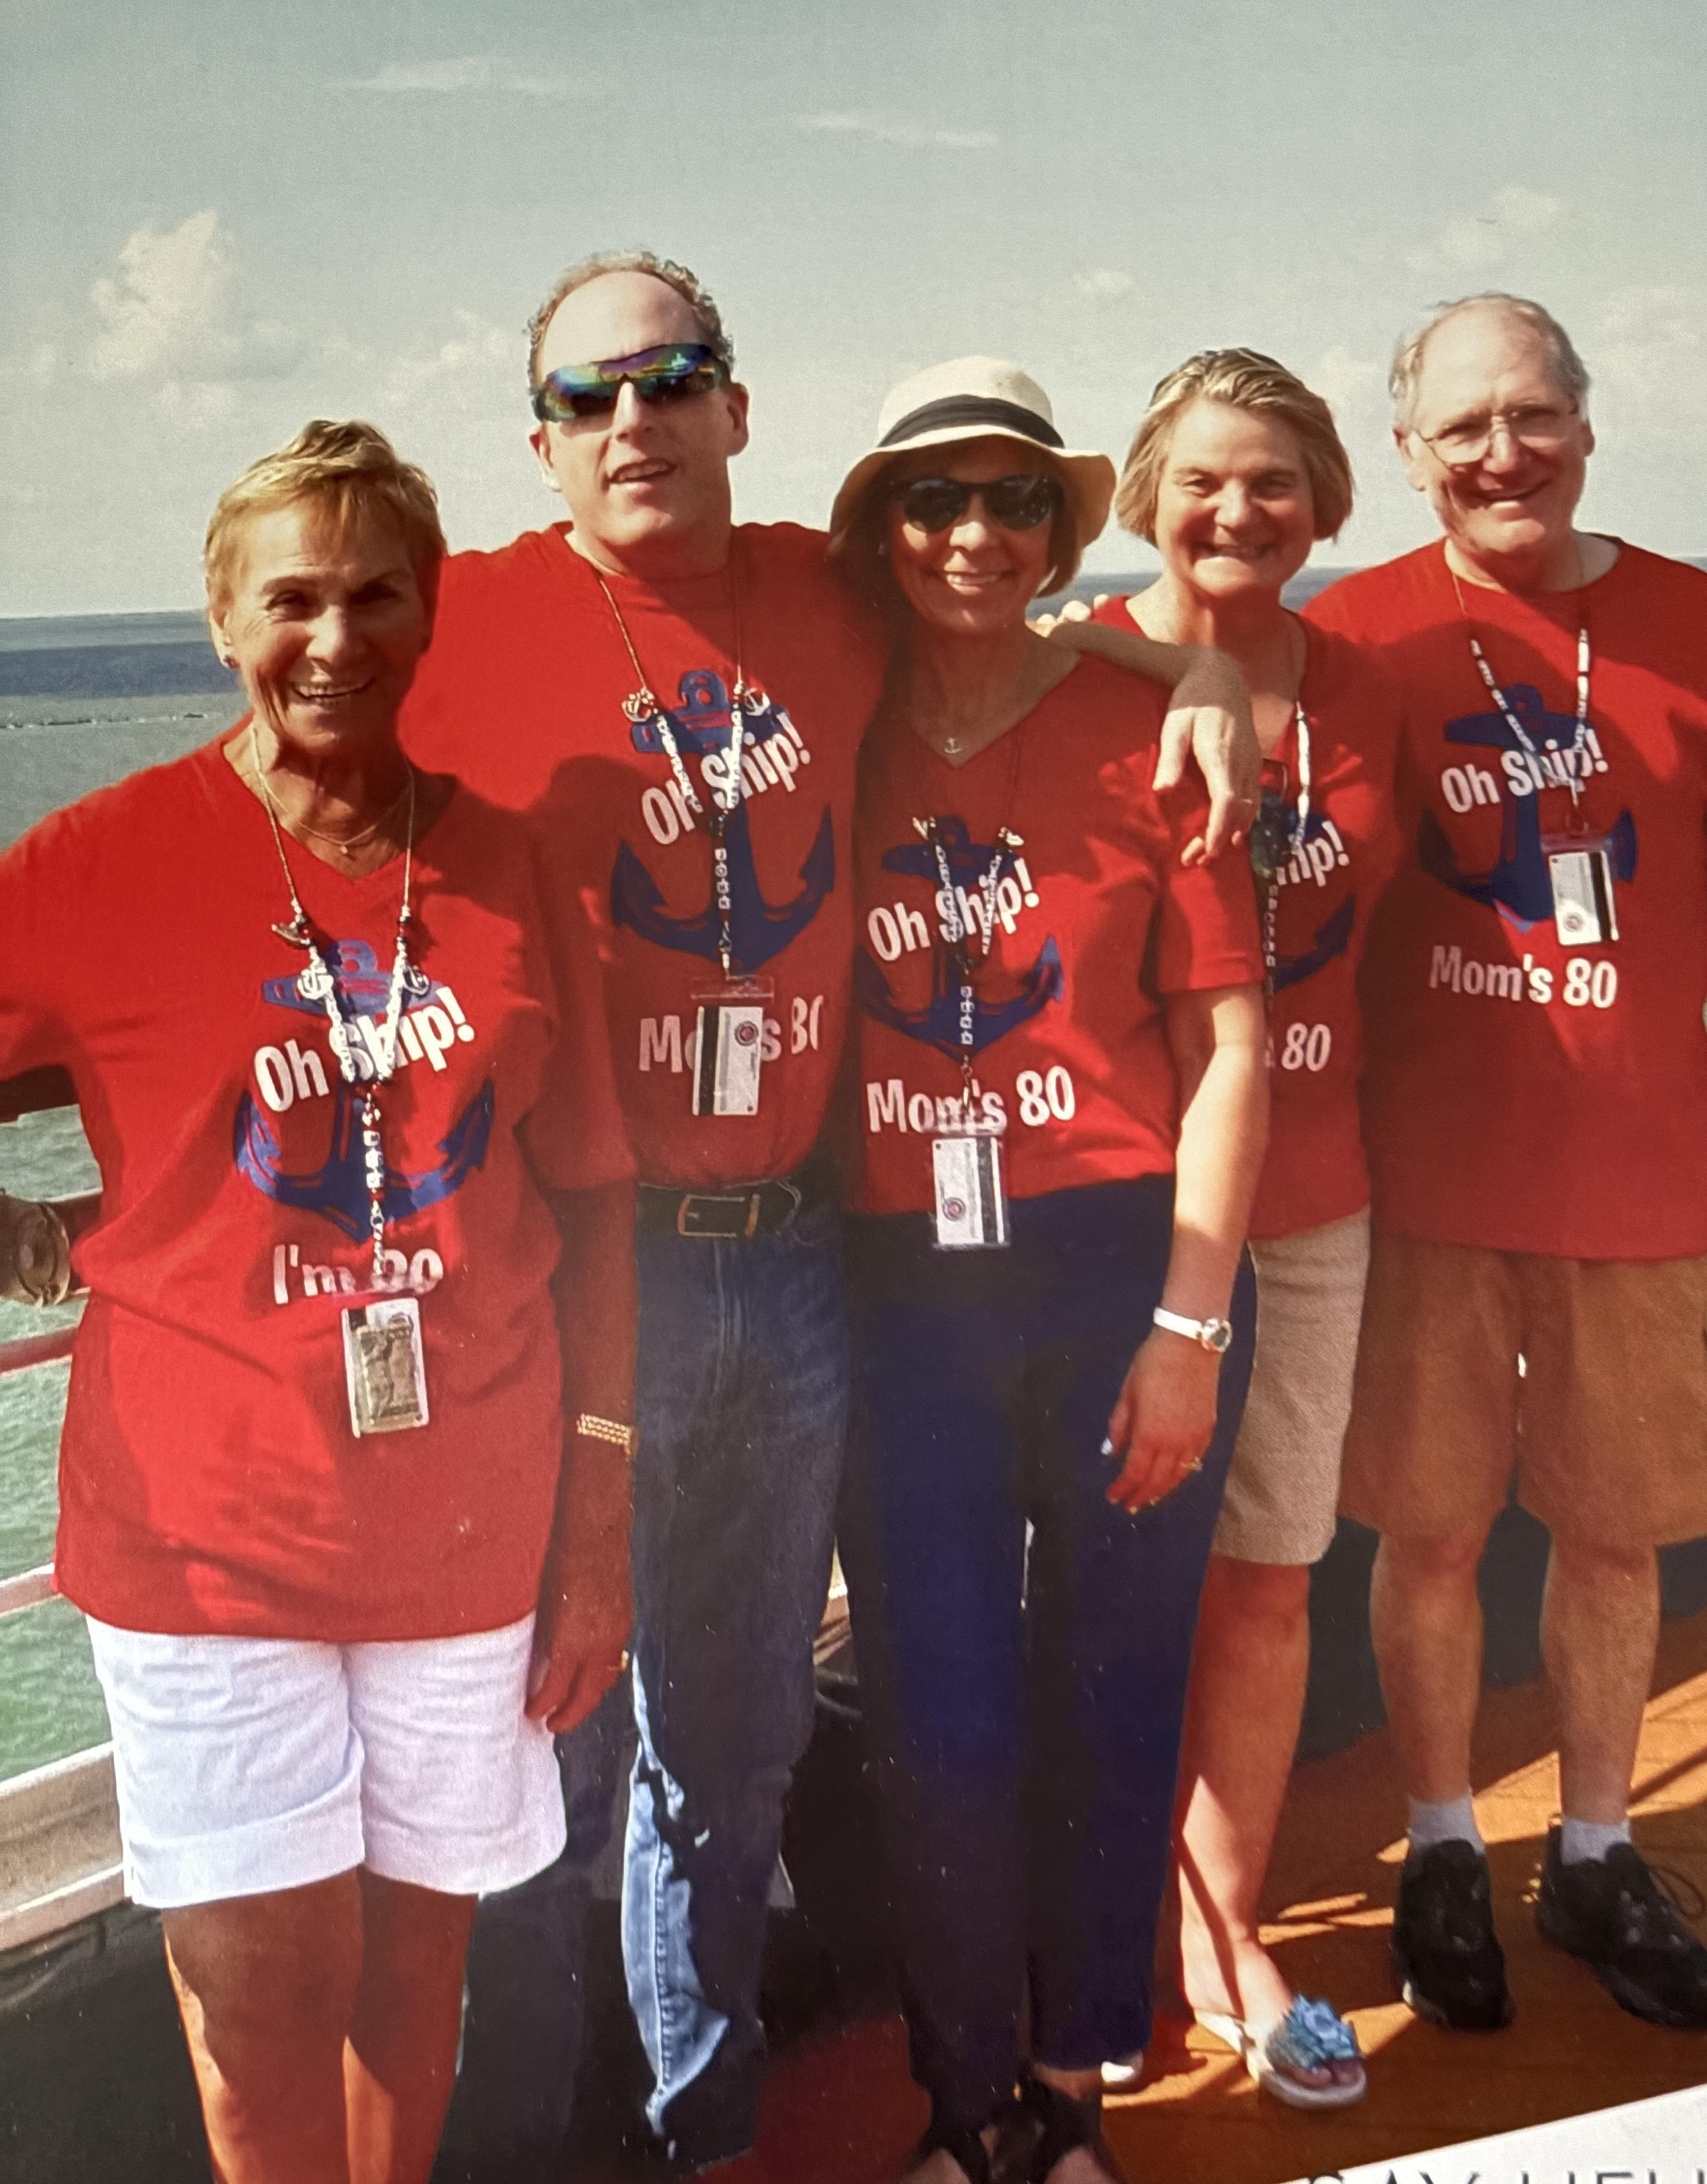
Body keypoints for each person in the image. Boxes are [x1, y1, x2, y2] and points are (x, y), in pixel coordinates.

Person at [400, 253, 1262, 2175]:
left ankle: (778, 2127)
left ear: (735, 403)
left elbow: (1027, 628)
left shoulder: (818, 596)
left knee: (751, 1740)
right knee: (570, 1737)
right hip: (599, 1269)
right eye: (589, 394)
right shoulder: (463, 619)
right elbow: (292, 775)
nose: (636, 419)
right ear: (536, 435)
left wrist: (1197, 663)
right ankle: (551, 2149)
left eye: (676, 376)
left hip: (822, 1259)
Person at [0, 420, 637, 2184]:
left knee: (415, 1979)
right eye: (293, 599)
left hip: (465, 1532)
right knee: (269, 1999)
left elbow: (591, 1207)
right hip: (207, 1548)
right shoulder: (97, 864)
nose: (336, 638)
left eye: (377, 596)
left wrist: (597, 1530)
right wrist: (28, 1233)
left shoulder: (504, 867)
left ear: (428, 619)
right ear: (221, 620)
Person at [827, 357, 1269, 2184]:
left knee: (1108, 1686)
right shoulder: (829, 723)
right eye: (936, 500)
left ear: (1057, 529)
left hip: (1115, 1266)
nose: (974, 535)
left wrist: (1186, 1325)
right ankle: (965, 2106)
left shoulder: (1142, 735)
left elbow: (1231, 1046)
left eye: (1015, 501)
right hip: (900, 1280)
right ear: (879, 528)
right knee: (938, 1712)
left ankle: (1076, 2093)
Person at [1307, 293, 1707, 2033]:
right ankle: (1445, 1842)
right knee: (1432, 1531)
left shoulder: (1690, 620)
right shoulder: (1361, 635)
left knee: (1616, 1539)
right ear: (1406, 455)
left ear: (1585, 425)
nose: (1499, 453)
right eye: (1460, 427)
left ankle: (1600, 1854)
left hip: (1638, 1177)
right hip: (1427, 1181)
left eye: (1530, 415)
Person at [1076, 351, 1400, 2105]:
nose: (1235, 511)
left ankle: (1225, 1934)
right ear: (1142, 489)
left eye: (1274, 480)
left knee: (1268, 1576)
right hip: (1119, 1209)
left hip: (1315, 1204)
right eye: (1202, 477)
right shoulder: (1067, 676)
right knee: (1117, 1583)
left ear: (1328, 501)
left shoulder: (1369, 696)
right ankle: (1104, 1922)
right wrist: (1174, 662)